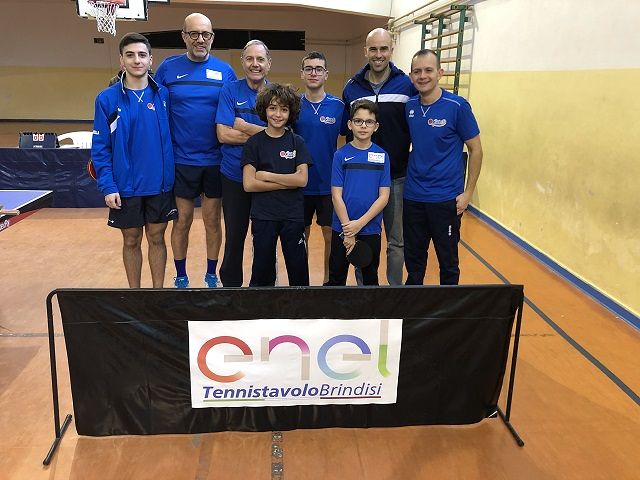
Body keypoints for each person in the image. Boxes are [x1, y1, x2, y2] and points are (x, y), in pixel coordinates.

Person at [154, 13, 237, 288]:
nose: (200, 39)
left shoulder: (226, 72)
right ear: (184, 36)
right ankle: (181, 275)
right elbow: (155, 110)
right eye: (194, 34)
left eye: (206, 34)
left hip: (216, 161)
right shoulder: (168, 68)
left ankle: (212, 274)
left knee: (213, 220)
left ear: (212, 37)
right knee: (182, 220)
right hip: (182, 161)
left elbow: (234, 112)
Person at [91, 32, 177, 288]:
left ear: (151, 60)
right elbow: (100, 148)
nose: (136, 60)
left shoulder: (163, 95)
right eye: (130, 55)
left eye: (142, 55)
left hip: (159, 184)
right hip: (125, 186)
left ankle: (157, 295)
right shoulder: (106, 99)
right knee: (131, 240)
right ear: (121, 61)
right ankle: (135, 297)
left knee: (157, 238)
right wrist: (108, 186)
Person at [342, 28, 416, 286]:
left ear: (391, 50)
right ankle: (365, 291)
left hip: (396, 177)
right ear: (366, 51)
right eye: (373, 49)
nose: (378, 54)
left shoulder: (407, 85)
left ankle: (394, 293)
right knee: (362, 237)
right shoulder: (352, 87)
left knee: (396, 242)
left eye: (383, 48)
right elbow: (346, 131)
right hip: (361, 180)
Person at [404, 49, 483, 285]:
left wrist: (468, 193)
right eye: (417, 71)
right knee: (414, 263)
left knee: (448, 263)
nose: (422, 76)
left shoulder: (457, 106)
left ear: (440, 72)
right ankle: (413, 305)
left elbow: (476, 150)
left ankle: (447, 307)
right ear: (411, 75)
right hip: (413, 197)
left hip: (445, 199)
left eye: (428, 70)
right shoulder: (409, 106)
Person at [242, 83, 312, 287]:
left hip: (292, 216)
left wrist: (266, 176)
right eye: (273, 108)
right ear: (264, 110)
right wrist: (287, 182)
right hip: (264, 216)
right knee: (262, 271)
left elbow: (302, 180)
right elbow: (249, 184)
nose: (278, 114)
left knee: (298, 270)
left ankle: (301, 307)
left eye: (284, 109)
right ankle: (262, 306)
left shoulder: (297, 142)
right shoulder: (254, 143)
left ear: (291, 113)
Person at [215, 40, 271, 287]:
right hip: (233, 177)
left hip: (266, 179)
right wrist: (264, 136)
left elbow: (280, 137)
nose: (255, 64)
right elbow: (223, 134)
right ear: (242, 62)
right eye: (250, 59)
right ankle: (231, 289)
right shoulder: (230, 91)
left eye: (260, 59)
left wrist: (244, 126)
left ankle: (262, 288)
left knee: (264, 237)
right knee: (235, 237)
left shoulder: (276, 94)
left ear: (268, 64)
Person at [293, 51, 346, 285]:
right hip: (299, 183)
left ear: (326, 74)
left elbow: (349, 139)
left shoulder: (338, 107)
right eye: (309, 69)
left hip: (328, 184)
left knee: (330, 236)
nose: (313, 73)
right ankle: (302, 283)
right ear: (302, 74)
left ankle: (327, 283)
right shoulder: (293, 105)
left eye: (318, 69)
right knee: (300, 237)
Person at [327, 99, 390, 286]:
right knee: (337, 277)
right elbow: (336, 195)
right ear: (349, 124)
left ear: (376, 127)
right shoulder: (340, 155)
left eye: (369, 122)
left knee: (370, 279)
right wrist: (348, 230)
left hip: (370, 229)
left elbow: (384, 197)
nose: (363, 126)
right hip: (342, 228)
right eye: (358, 121)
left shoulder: (382, 156)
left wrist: (359, 224)